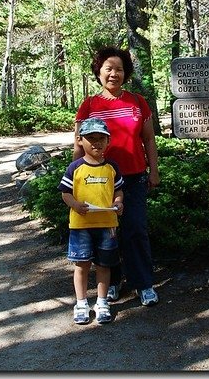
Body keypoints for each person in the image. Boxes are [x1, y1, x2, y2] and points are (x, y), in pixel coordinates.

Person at [74, 46, 160, 307]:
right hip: (99, 178)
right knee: (106, 234)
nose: (114, 74)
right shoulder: (89, 105)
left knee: (135, 230)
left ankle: (143, 284)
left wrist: (153, 170)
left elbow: (148, 139)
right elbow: (78, 145)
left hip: (133, 177)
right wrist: (76, 179)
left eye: (119, 69)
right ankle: (111, 283)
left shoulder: (137, 102)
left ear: (126, 73)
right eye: (108, 69)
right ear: (98, 72)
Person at [58, 117, 124, 325]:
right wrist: (75, 205)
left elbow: (119, 190)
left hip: (107, 225)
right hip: (81, 226)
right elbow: (65, 193)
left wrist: (119, 203)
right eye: (91, 138)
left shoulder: (112, 167)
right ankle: (81, 303)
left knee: (104, 265)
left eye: (101, 138)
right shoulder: (75, 167)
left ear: (108, 141)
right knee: (82, 265)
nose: (96, 143)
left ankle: (102, 302)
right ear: (80, 140)